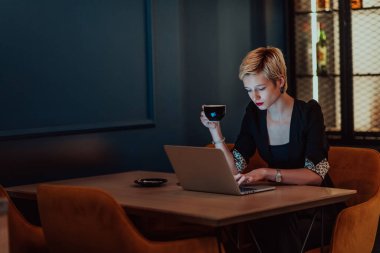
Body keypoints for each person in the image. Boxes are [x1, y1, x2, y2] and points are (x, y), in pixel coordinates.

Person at [200, 47, 342, 253]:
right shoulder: (254, 114)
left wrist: (266, 173)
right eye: (249, 90)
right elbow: (234, 169)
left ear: (280, 81)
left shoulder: (309, 112)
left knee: (277, 227)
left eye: (261, 88)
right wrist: (216, 133)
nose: (254, 96)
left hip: (315, 209)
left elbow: (316, 175)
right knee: (249, 225)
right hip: (276, 204)